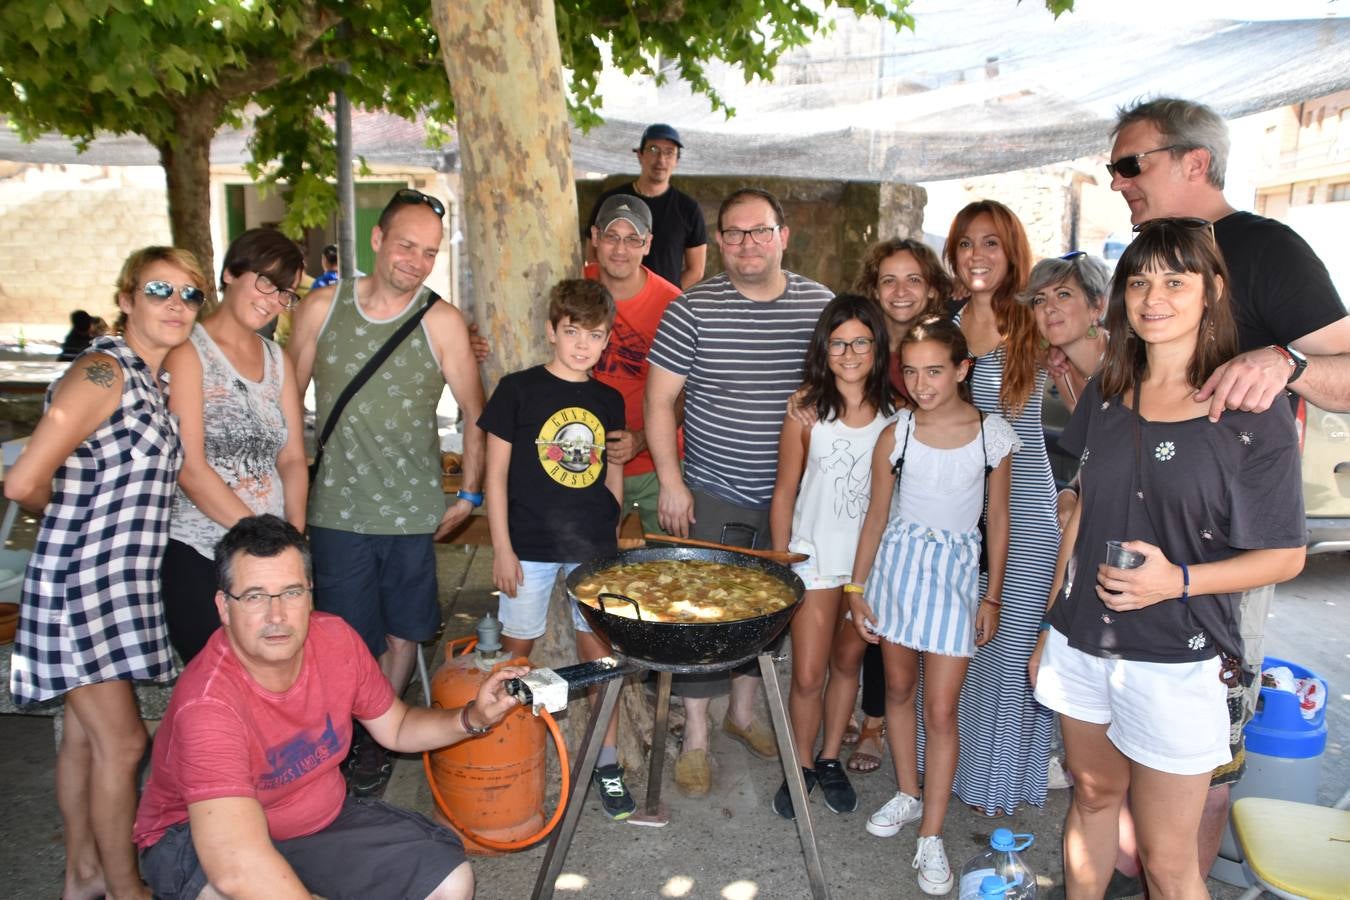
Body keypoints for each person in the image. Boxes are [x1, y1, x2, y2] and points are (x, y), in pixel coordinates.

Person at [1108, 95, 1350, 877]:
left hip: (1232, 548)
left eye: (1129, 164)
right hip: (1143, 533)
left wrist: (1291, 363)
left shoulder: (1264, 248)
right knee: (1129, 739)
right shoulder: (1145, 261)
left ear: (1194, 162)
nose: (1117, 183)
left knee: (1208, 755)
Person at [1029, 219, 1306, 898]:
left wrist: (1176, 581)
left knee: (1168, 859)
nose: (1154, 297)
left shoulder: (1248, 409)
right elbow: (1082, 506)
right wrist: (1049, 622)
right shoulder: (1108, 390)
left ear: (1212, 290)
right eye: (1141, 281)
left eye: (1176, 280)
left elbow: (1286, 557)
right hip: (1082, 642)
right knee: (1092, 799)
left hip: (1180, 659)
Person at [133, 515, 526, 900]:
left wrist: (472, 717)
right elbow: (237, 866)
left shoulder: (335, 638)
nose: (276, 616)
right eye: (254, 596)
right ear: (224, 606)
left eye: (291, 592)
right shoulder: (208, 702)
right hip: (197, 837)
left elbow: (399, 726)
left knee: (450, 881)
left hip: (313, 822)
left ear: (310, 593)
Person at [5, 246, 206, 900]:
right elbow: (25, 481)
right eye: (159, 290)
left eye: (190, 294)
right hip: (85, 586)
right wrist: (76, 520)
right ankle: (125, 888)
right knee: (124, 744)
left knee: (88, 745)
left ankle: (82, 875)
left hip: (119, 588)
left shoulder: (147, 378)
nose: (177, 304)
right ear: (126, 299)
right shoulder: (103, 371)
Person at [286, 187, 487, 797]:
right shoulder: (321, 308)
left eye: (429, 252)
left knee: (405, 631)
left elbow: (476, 412)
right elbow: (286, 405)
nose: (416, 261)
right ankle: (339, 740)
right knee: (341, 637)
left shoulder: (441, 320)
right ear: (376, 240)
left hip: (412, 513)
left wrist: (471, 495)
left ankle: (373, 740)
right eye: (406, 245)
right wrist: (287, 499)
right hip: (336, 511)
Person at [646, 187, 833, 795]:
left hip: (794, 496)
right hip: (713, 487)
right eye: (733, 233)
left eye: (759, 231)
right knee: (703, 615)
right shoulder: (692, 310)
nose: (747, 244)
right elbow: (658, 402)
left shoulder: (820, 307)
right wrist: (671, 483)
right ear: (719, 240)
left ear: (784, 235)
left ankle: (743, 716)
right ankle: (696, 739)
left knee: (768, 611)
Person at [848, 316, 1015, 893]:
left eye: (935, 371)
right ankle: (907, 792)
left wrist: (991, 595)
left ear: (962, 369)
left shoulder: (993, 435)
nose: (921, 384)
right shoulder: (897, 434)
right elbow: (876, 517)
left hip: (955, 578)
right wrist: (855, 588)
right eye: (912, 372)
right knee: (897, 689)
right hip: (897, 572)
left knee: (942, 712)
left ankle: (932, 837)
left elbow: (1000, 520)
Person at [479, 279, 632, 820]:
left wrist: (609, 529)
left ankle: (606, 764)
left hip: (593, 550)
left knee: (602, 659)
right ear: (551, 330)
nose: (583, 344)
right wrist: (501, 547)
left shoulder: (608, 400)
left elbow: (612, 468)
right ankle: (508, 756)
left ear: (607, 338)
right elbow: (494, 475)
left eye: (595, 334)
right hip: (529, 547)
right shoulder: (516, 390)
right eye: (572, 332)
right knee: (516, 657)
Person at [821, 237, 953, 778]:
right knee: (851, 624)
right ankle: (846, 711)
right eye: (888, 281)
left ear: (932, 289)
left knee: (886, 621)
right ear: (872, 289)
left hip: (916, 508)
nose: (901, 292)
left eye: (913, 280)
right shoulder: (864, 349)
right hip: (854, 507)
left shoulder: (937, 349)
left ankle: (874, 721)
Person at [945, 200, 1058, 816]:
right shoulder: (946, 321)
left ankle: (1003, 786)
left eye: (990, 243)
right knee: (963, 641)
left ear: (1012, 251)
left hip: (1025, 501)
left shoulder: (1035, 319)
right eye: (966, 243)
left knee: (1011, 646)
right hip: (960, 508)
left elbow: (1096, 387)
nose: (977, 255)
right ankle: (954, 775)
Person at [767, 294, 895, 820]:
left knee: (848, 664)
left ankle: (828, 758)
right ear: (824, 348)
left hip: (869, 564)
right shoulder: (806, 409)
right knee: (807, 672)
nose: (849, 352)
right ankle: (798, 766)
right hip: (812, 557)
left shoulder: (898, 414)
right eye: (838, 342)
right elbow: (783, 490)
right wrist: (781, 558)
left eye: (860, 341)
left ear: (876, 346)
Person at [161, 228, 310, 664]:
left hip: (272, 563)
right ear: (230, 273)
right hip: (202, 554)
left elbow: (293, 457)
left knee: (274, 681)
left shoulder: (277, 358)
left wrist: (293, 538)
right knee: (219, 685)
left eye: (286, 292)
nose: (274, 299)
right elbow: (189, 468)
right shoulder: (189, 351)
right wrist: (260, 538)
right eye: (266, 281)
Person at [587, 194, 685, 536]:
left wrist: (643, 439)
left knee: (670, 571)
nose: (620, 249)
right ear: (595, 238)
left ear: (648, 245)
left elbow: (687, 394)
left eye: (633, 239)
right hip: (584, 463)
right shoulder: (571, 287)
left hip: (655, 465)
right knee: (591, 572)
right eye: (612, 237)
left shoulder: (672, 304)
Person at [584, 123, 708, 289]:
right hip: (613, 303)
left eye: (669, 152)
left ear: (677, 160)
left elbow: (696, 269)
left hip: (662, 308)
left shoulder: (688, 209)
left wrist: (666, 297)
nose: (661, 160)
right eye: (653, 150)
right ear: (640, 155)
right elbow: (591, 254)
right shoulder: (611, 201)